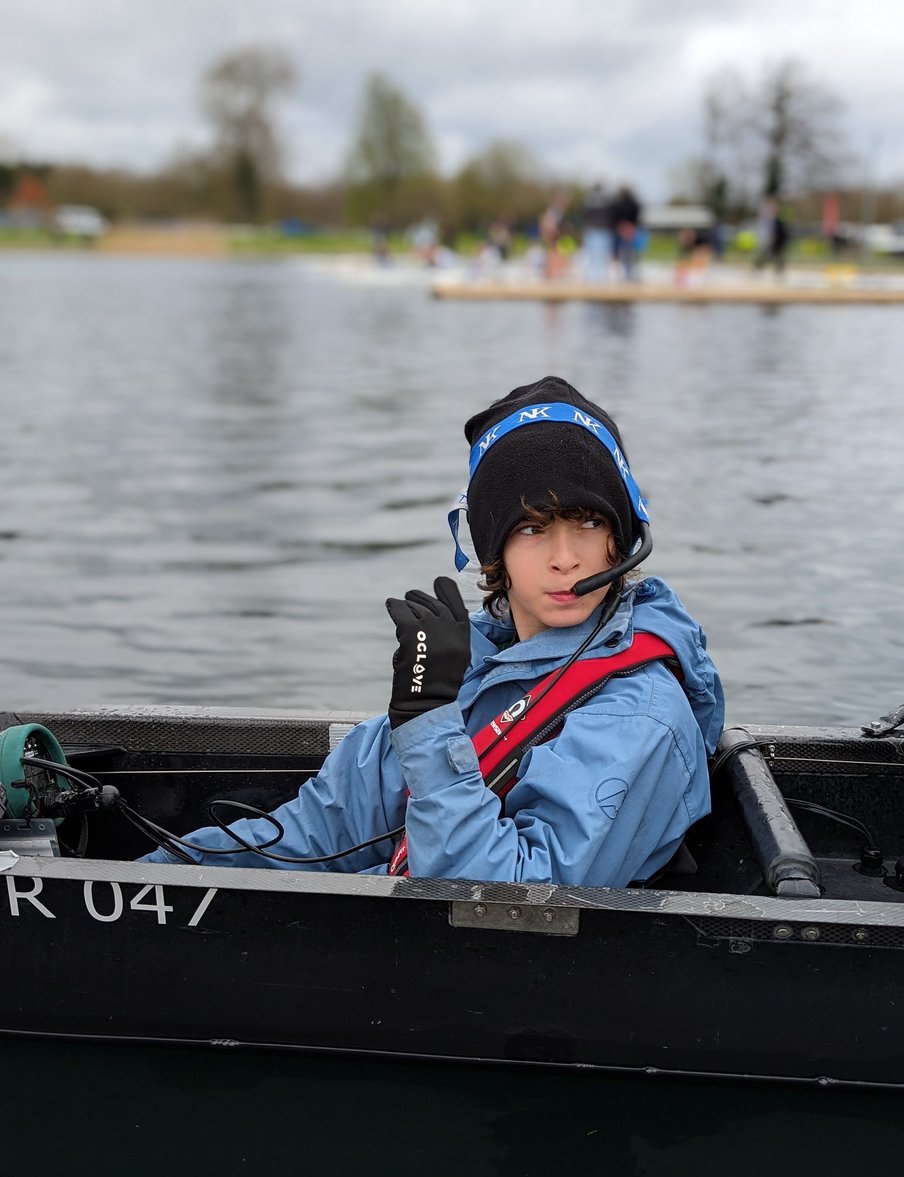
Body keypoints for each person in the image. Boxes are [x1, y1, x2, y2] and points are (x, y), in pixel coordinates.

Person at [140, 377, 724, 887]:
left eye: (589, 523)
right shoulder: (477, 665)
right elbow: (321, 832)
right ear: (491, 547)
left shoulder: (640, 715)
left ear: (621, 540)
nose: (566, 558)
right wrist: (156, 876)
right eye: (532, 529)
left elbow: (506, 902)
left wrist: (428, 728)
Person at [581, 181, 613, 282]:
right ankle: (600, 279)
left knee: (591, 256)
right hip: (603, 230)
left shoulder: (589, 200)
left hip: (592, 230)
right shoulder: (606, 199)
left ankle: (590, 279)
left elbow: (586, 215)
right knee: (602, 256)